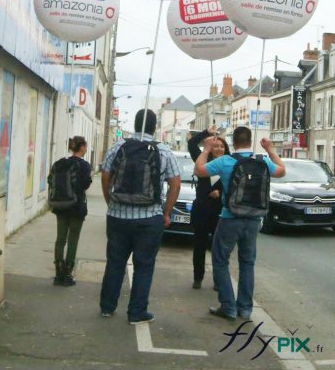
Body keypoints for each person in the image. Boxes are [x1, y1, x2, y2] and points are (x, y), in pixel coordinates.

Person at [194, 126, 285, 320]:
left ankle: (228, 306)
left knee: (220, 260)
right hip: (253, 220)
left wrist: (206, 149)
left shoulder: (225, 161)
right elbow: (282, 171)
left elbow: (199, 170)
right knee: (247, 263)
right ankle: (244, 308)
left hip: (230, 218)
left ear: (233, 142)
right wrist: (269, 149)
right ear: (250, 140)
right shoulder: (262, 161)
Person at [100, 109, 181, 325]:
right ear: (154, 127)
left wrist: (111, 202)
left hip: (117, 216)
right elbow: (175, 184)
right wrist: (166, 212)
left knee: (115, 262)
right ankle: (137, 313)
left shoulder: (118, 147)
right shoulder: (163, 151)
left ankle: (107, 307)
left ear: (135, 125)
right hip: (149, 218)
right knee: (144, 266)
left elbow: (106, 175)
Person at [188, 127, 230, 290]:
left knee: (218, 248)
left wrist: (221, 191)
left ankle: (217, 281)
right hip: (202, 210)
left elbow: (235, 185)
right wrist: (206, 133)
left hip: (221, 212)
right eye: (215, 146)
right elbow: (191, 143)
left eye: (222, 146)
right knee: (199, 245)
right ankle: (197, 278)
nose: (218, 149)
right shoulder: (202, 161)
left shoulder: (230, 164)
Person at [51, 136, 92, 286]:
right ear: (81, 148)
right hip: (77, 207)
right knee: (72, 240)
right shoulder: (84, 166)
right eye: (85, 147)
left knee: (60, 240)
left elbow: (51, 180)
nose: (86, 149)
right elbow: (85, 184)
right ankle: (68, 274)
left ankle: (58, 273)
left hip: (60, 206)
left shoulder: (60, 164)